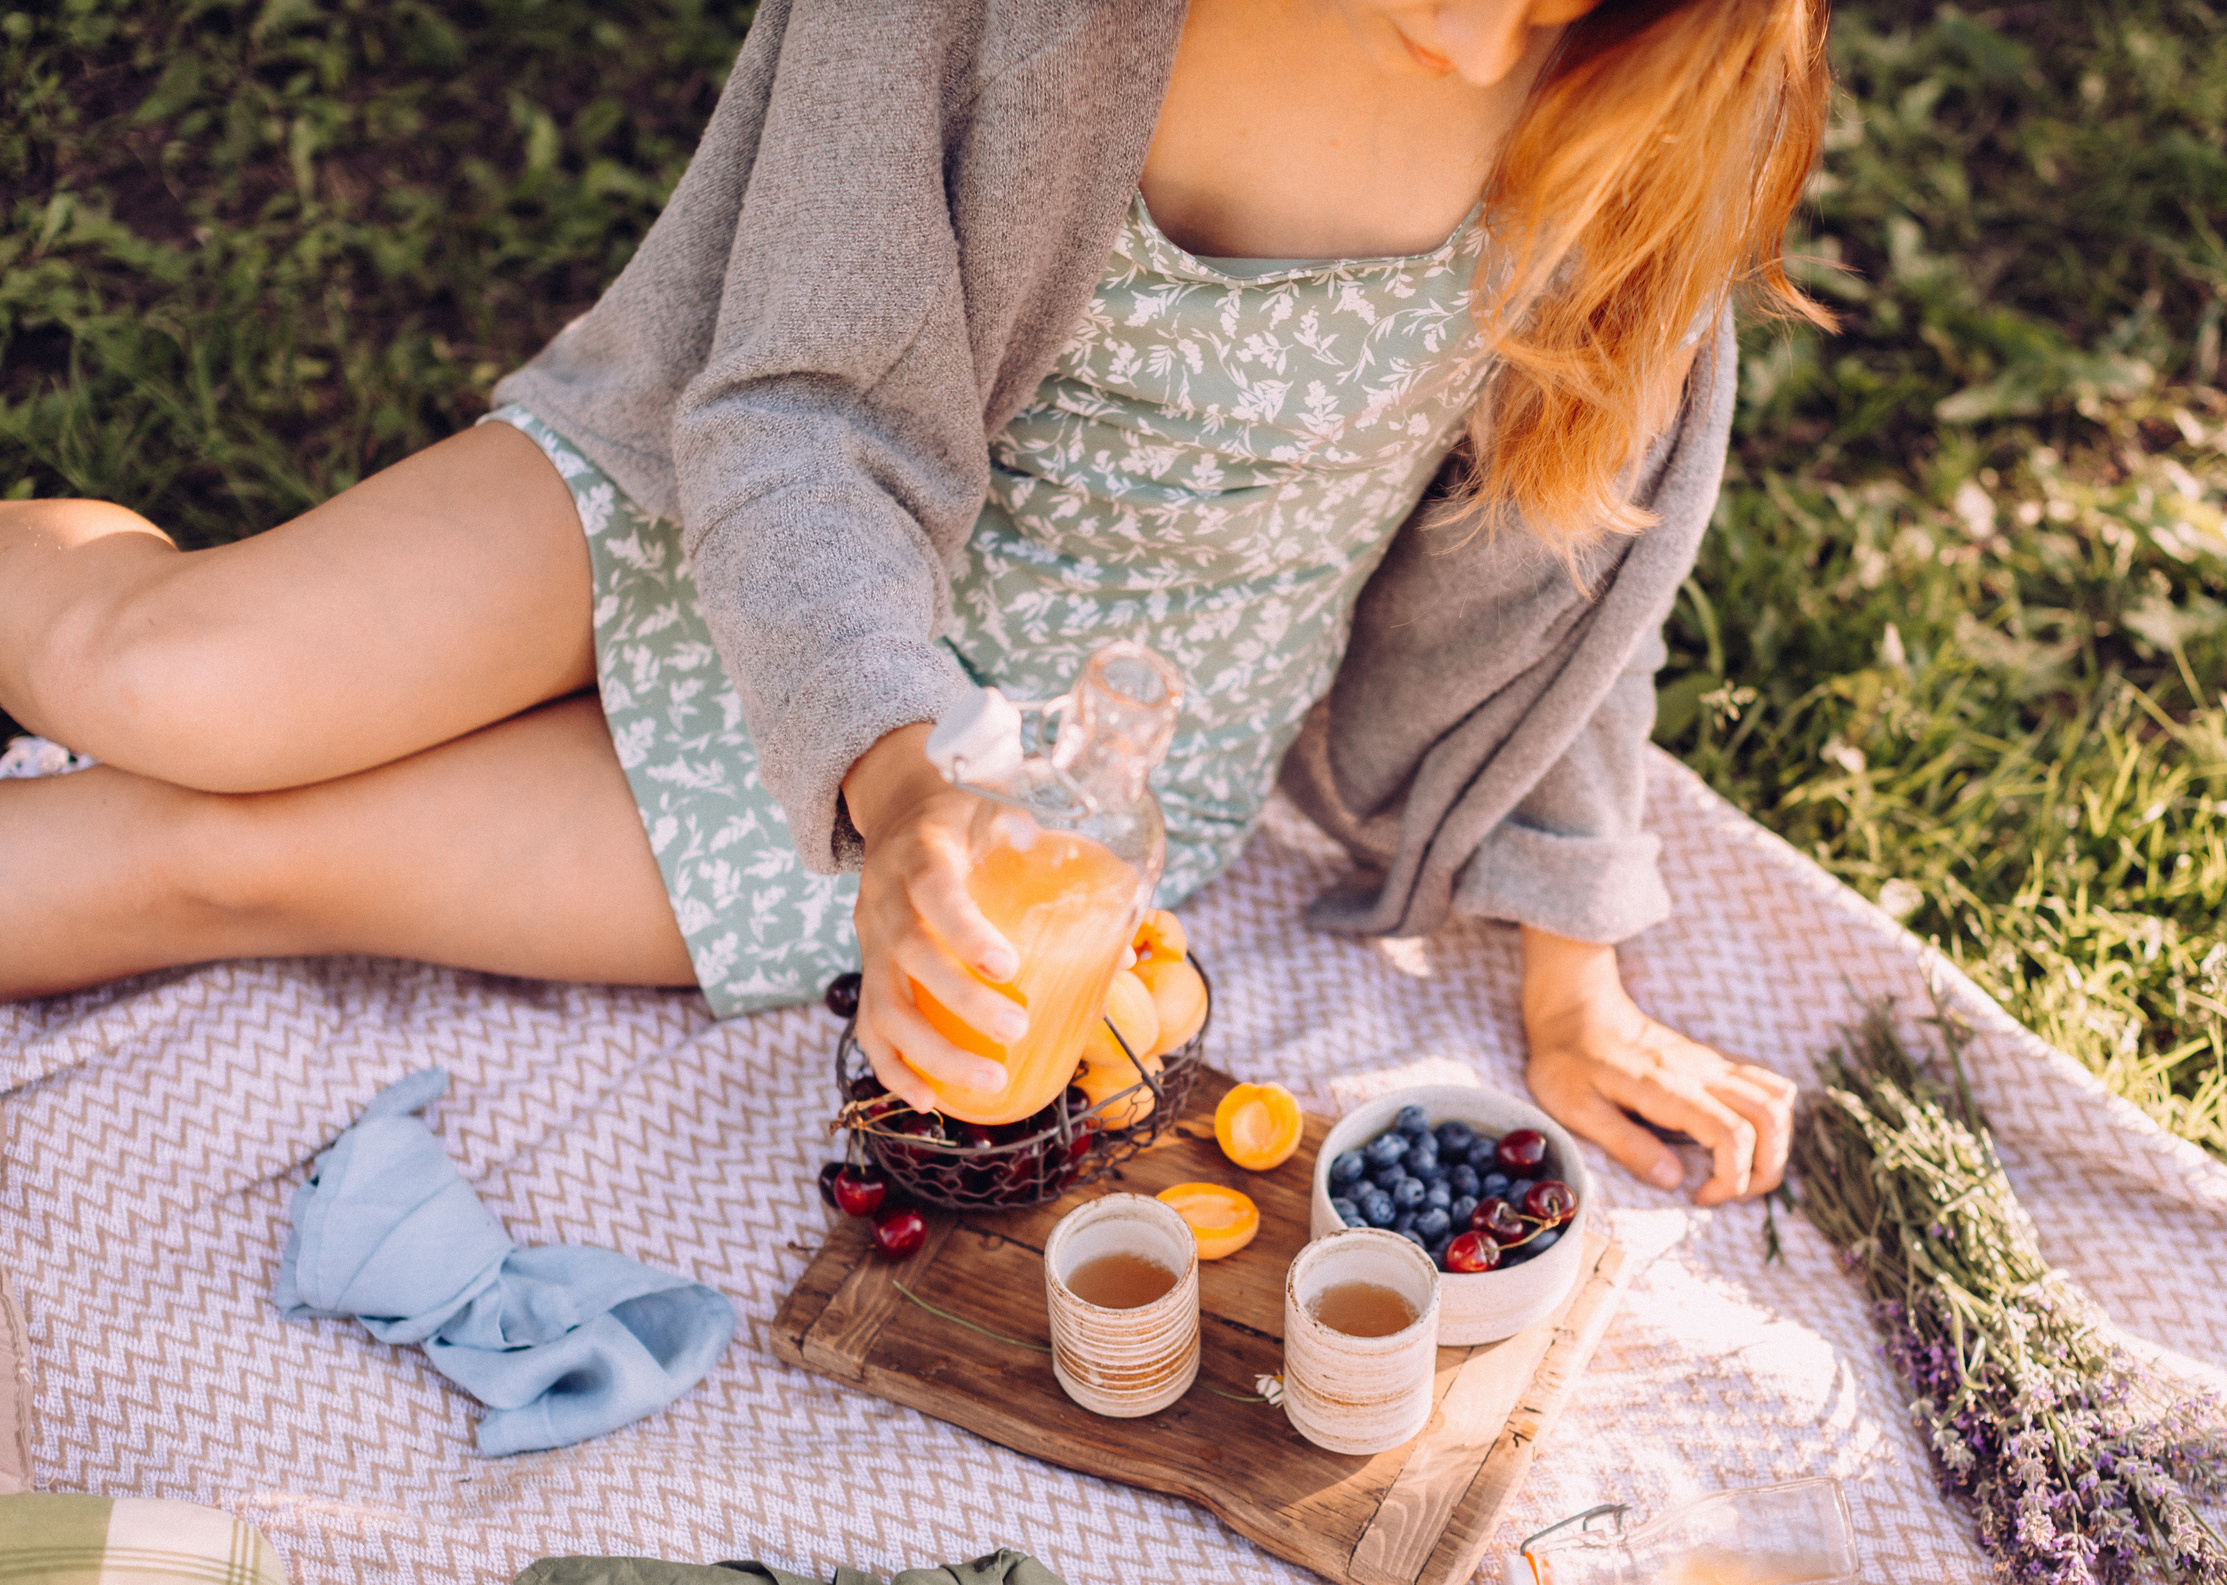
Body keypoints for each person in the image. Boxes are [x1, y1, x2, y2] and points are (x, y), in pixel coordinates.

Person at [0, 0, 1830, 1206]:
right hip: (741, 479)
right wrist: (890, 771)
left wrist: (1573, 983)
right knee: (160, 674)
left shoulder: (1667, 92)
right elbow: (801, 409)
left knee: (210, 863)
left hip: (1022, 803)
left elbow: (1568, 557)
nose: (1462, 34)